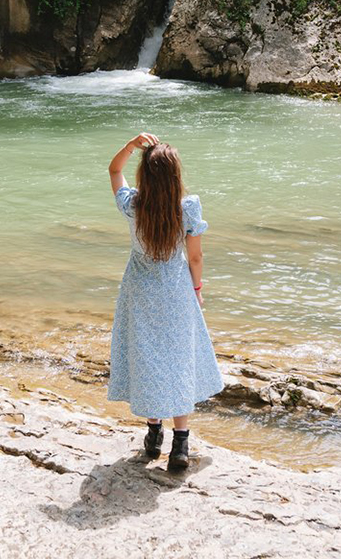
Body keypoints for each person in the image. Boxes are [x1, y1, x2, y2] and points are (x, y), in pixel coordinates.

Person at [107, 132, 224, 472]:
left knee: (148, 359)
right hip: (175, 294)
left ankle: (153, 435)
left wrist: (130, 146)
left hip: (140, 293)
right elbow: (196, 257)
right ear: (176, 176)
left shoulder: (133, 205)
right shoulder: (187, 207)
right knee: (179, 360)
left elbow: (114, 171)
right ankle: (181, 445)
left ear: (145, 175)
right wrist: (198, 290)